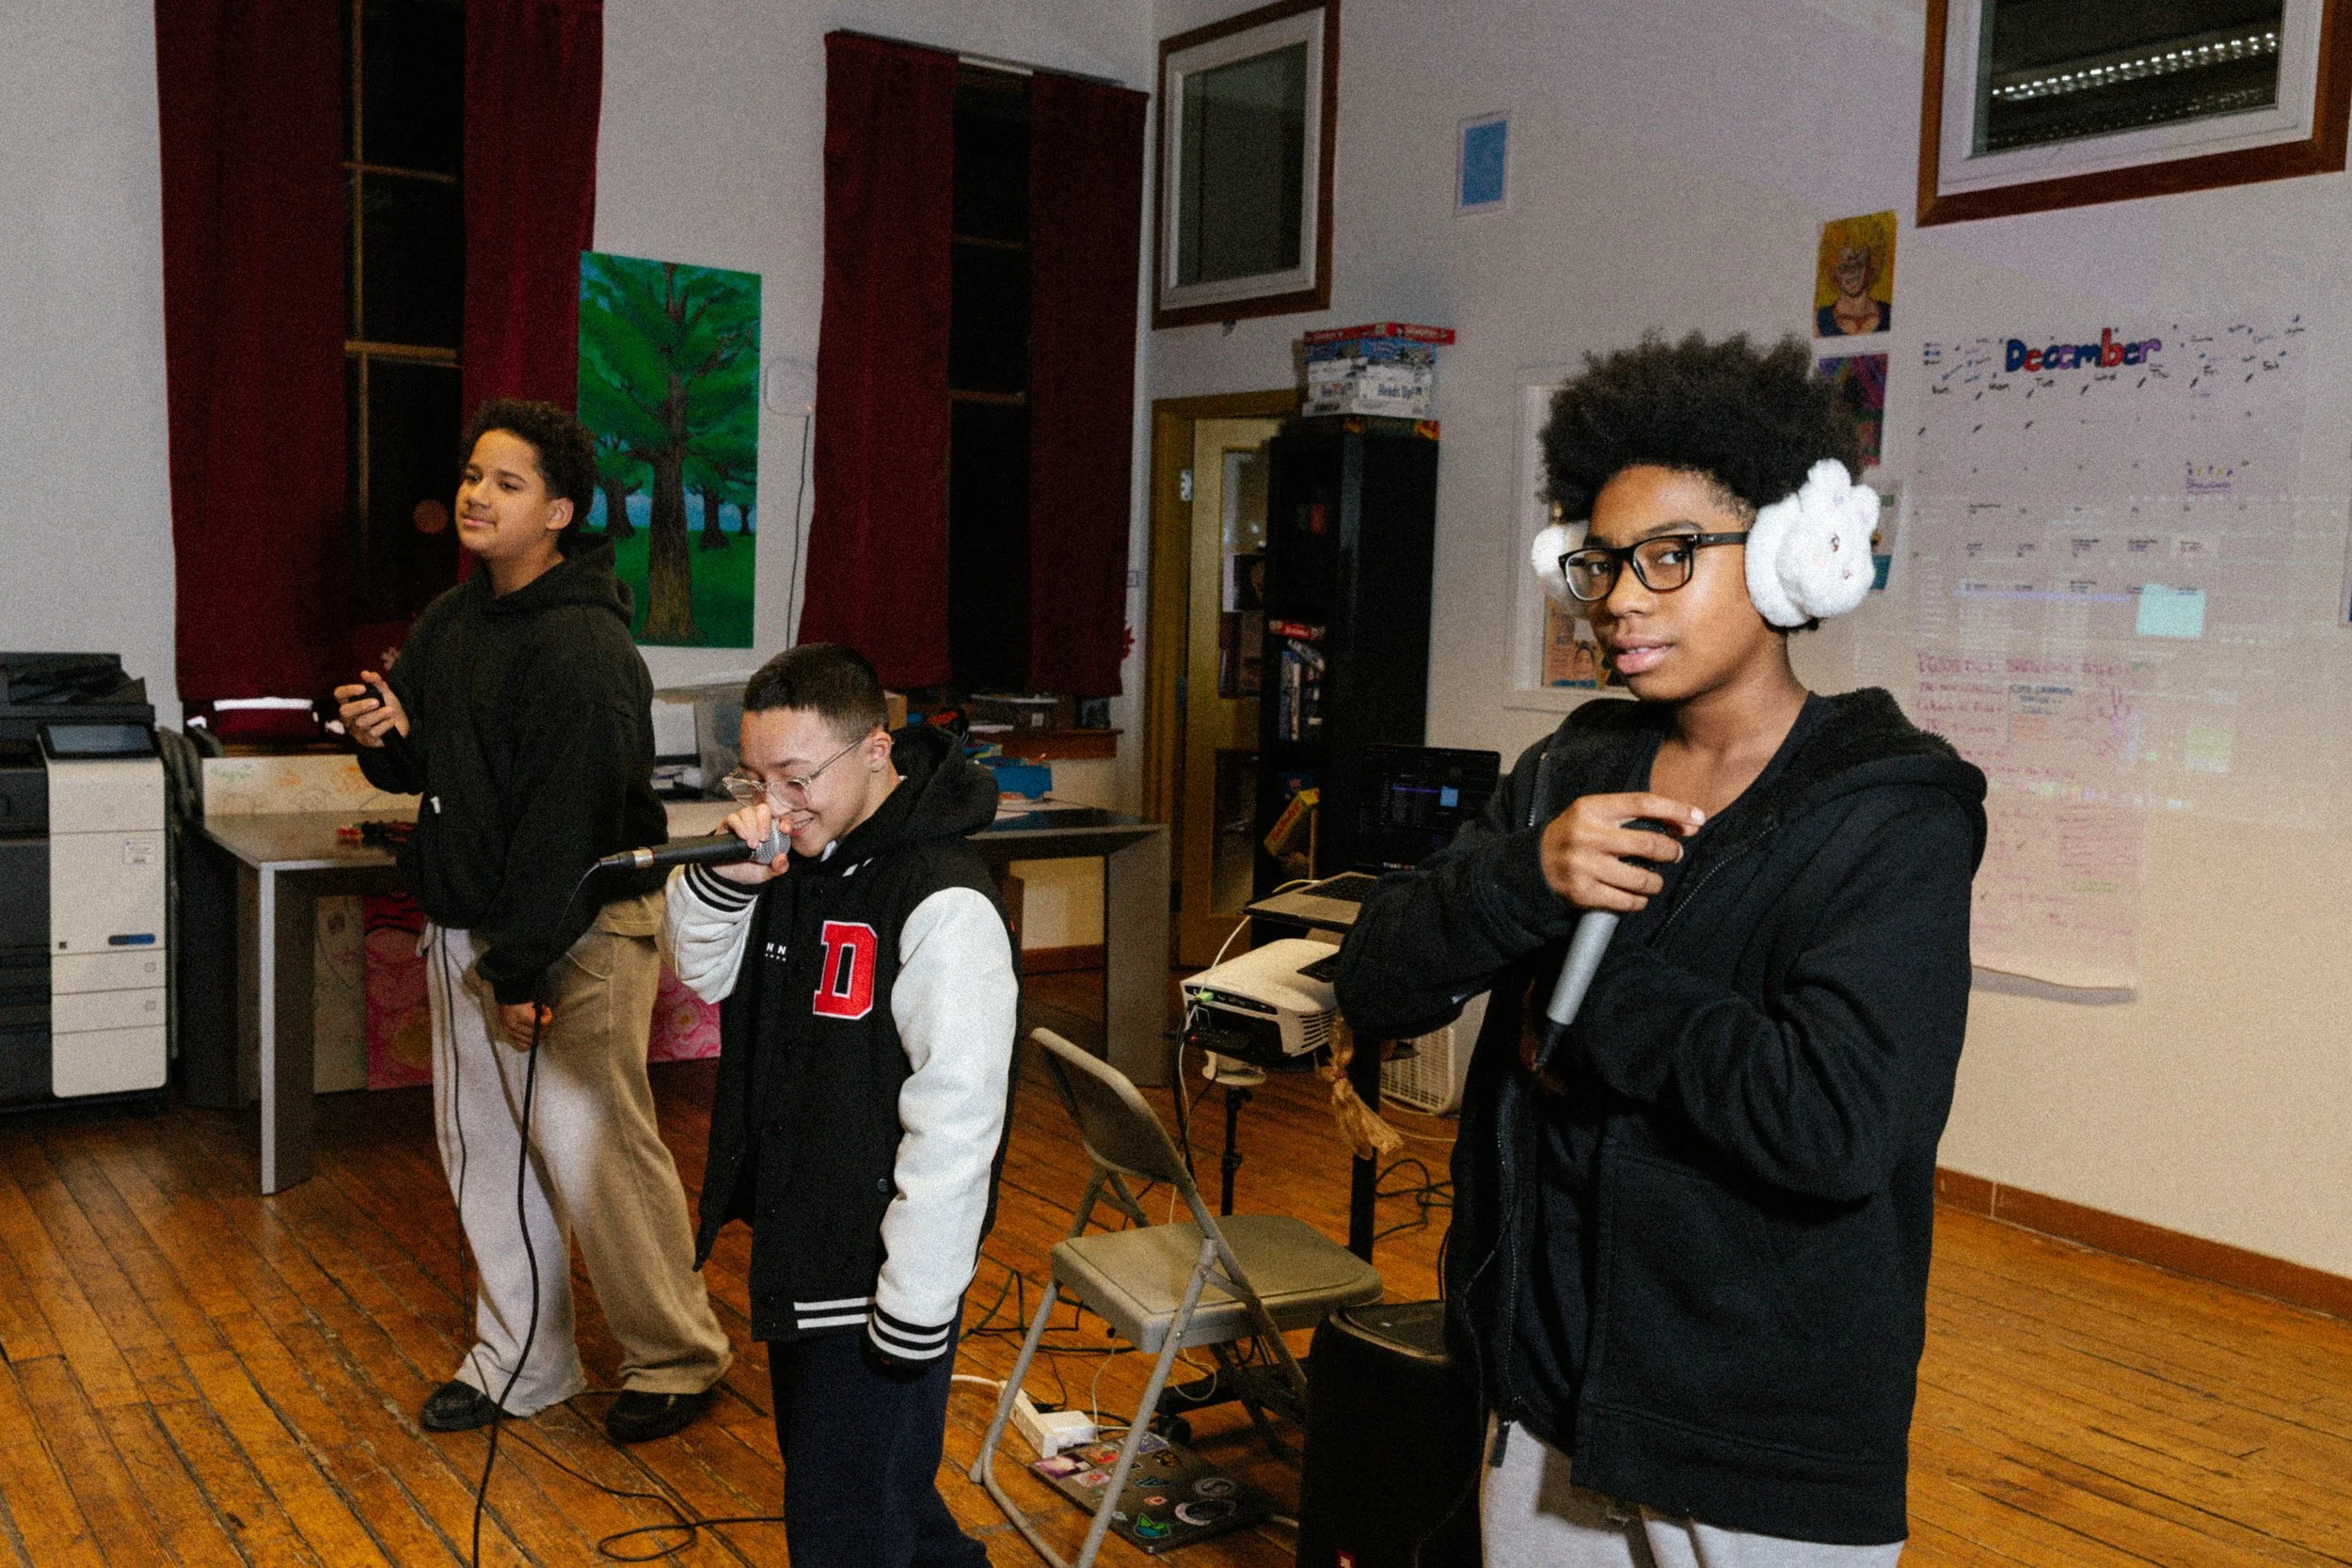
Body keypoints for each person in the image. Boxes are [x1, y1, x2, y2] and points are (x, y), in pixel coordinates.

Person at [1335, 333, 1985, 1564]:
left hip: (1757, 1435)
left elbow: (1837, 1121)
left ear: (1797, 552)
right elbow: (1376, 975)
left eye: (1670, 557)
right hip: (1545, 1389)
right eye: (1602, 560)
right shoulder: (1569, 771)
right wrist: (1529, 876)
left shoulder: (1891, 813)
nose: (1619, 596)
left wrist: (1593, 1006)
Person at [334, 398, 732, 1446]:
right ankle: (524, 1358)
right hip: (477, 926)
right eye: (472, 475)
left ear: (558, 511)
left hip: (573, 935)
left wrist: (520, 968)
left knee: (599, 1156)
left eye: (505, 483)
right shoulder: (453, 622)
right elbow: (432, 770)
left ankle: (678, 1355)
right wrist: (381, 735)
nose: (475, 493)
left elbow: (569, 824)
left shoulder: (584, 649)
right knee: (487, 1157)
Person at [661, 642, 1018, 1568]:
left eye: (796, 774)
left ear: (874, 750)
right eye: (756, 774)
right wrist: (725, 883)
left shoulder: (942, 899)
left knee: (846, 1525)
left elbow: (959, 1123)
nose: (775, 801)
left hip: (877, 1273)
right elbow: (701, 971)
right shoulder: (802, 855)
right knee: (880, 1497)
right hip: (800, 1238)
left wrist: (914, 1305)